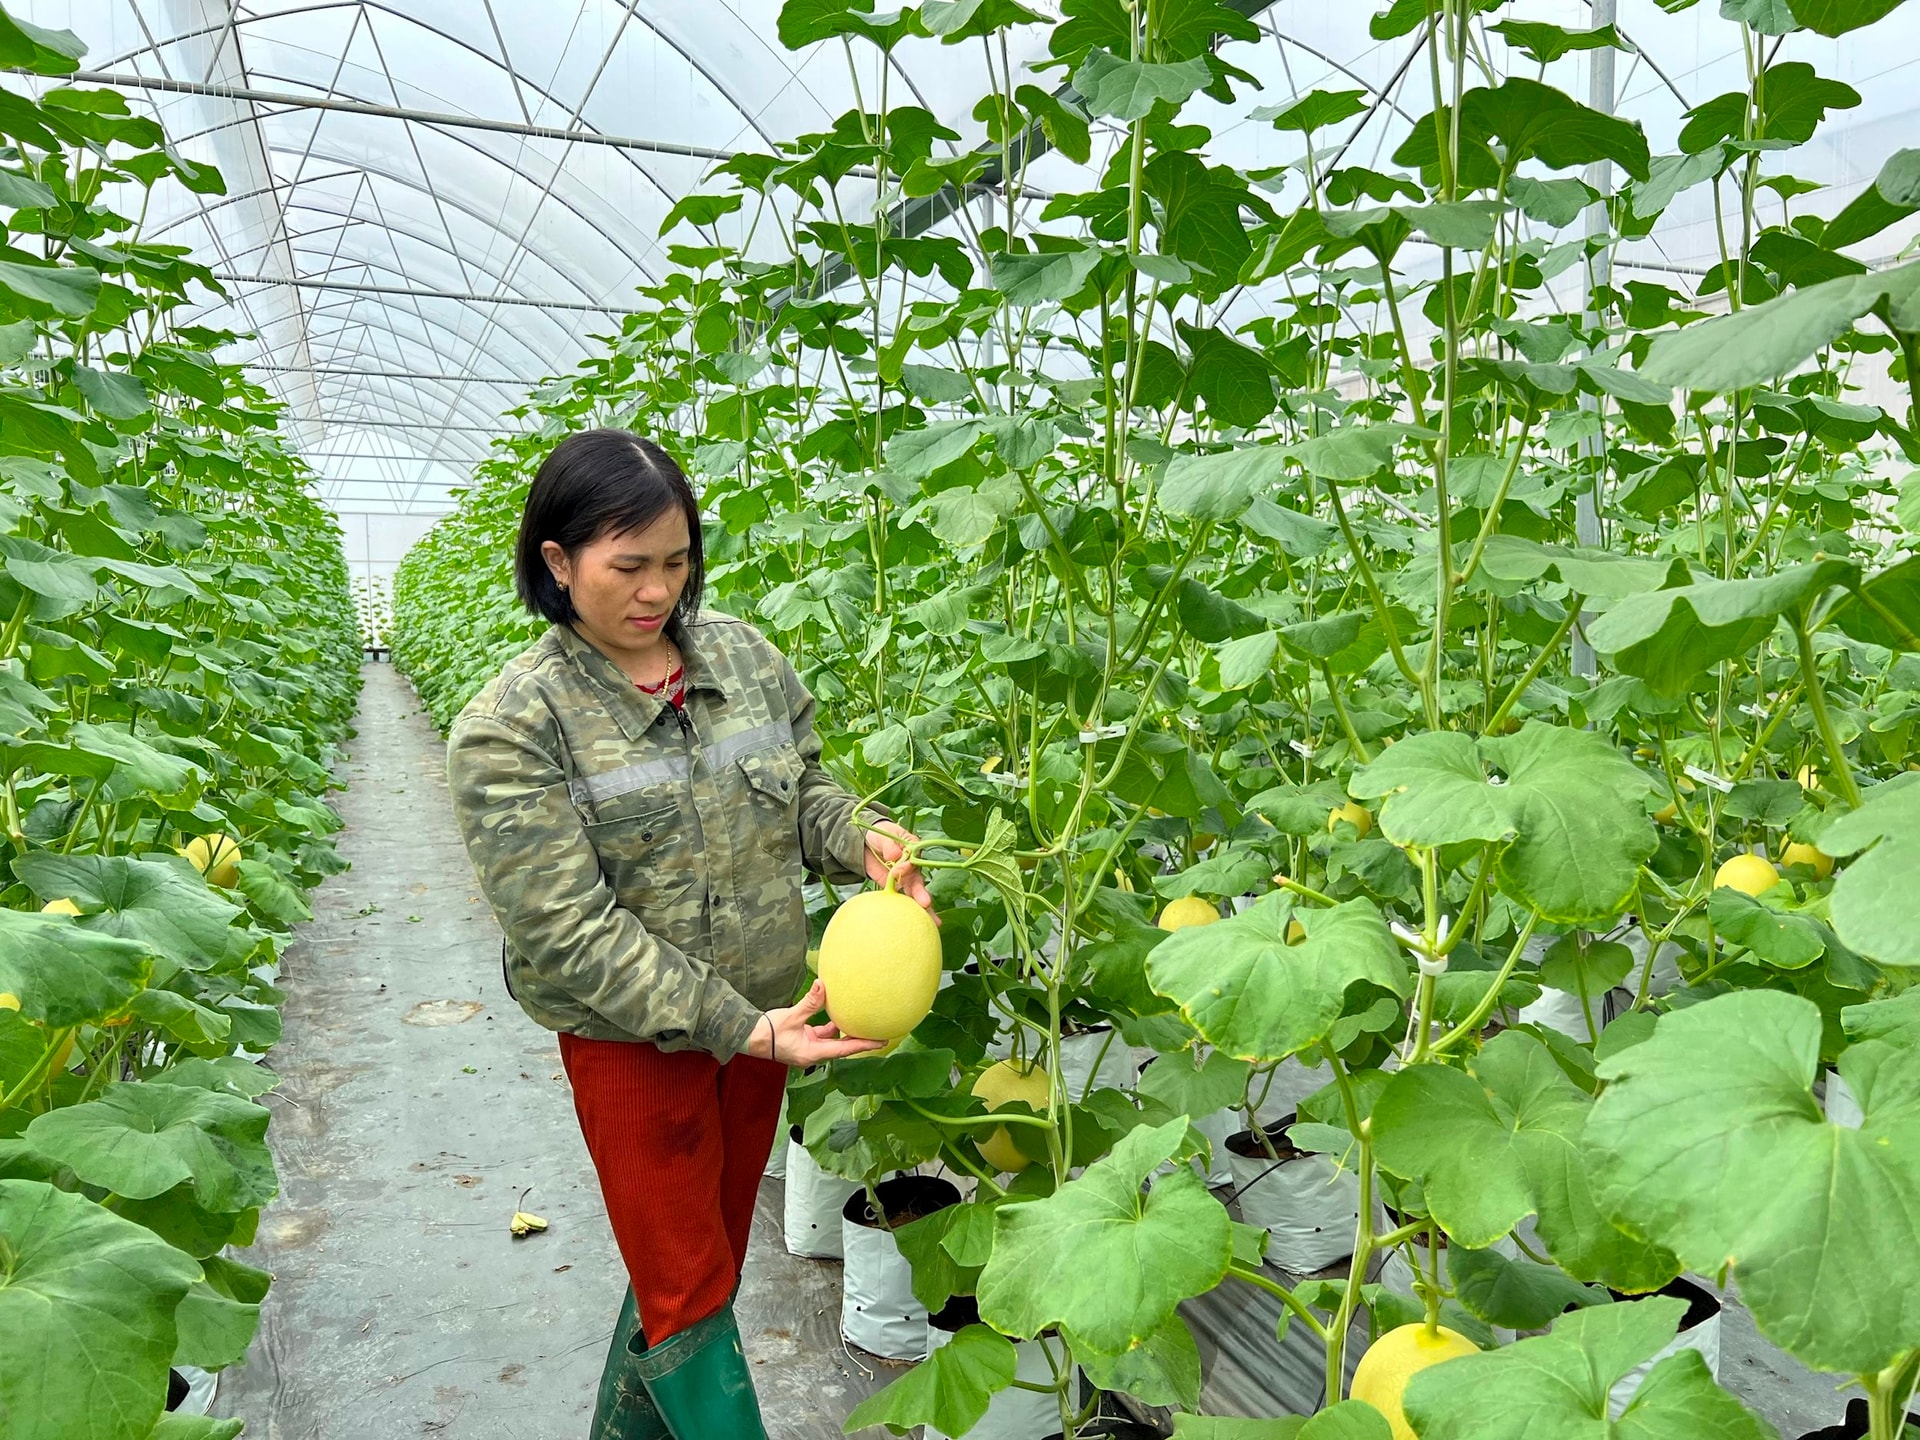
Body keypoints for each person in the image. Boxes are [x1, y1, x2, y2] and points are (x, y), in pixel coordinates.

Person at [445, 429, 933, 1439]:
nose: (656, 590)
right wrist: (741, 1029)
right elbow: (567, 934)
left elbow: (806, 791)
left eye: (675, 562)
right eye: (628, 566)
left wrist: (865, 839)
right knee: (688, 1287)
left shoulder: (747, 659)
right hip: (638, 1046)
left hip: (767, 1019)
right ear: (557, 562)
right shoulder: (512, 725)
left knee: (697, 1255)